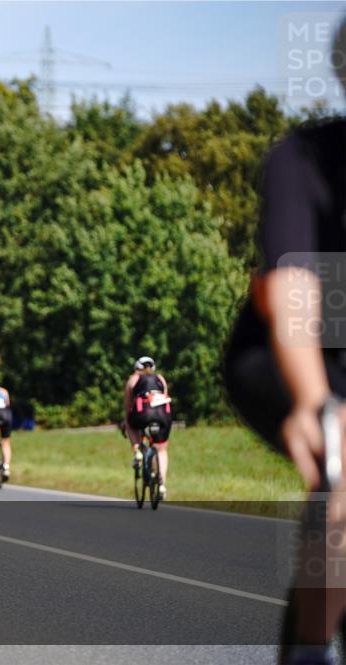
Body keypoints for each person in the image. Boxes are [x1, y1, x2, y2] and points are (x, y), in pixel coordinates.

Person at [222, 101, 346, 663]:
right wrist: (315, 402)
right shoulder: (308, 157)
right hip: (287, 353)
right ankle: (309, 650)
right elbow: (293, 286)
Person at [123, 356, 172, 496]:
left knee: (129, 423)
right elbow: (165, 396)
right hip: (163, 416)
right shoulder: (160, 378)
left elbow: (127, 405)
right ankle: (162, 484)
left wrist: (125, 420)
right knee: (161, 449)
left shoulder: (134, 379)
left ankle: (137, 449)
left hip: (142, 414)